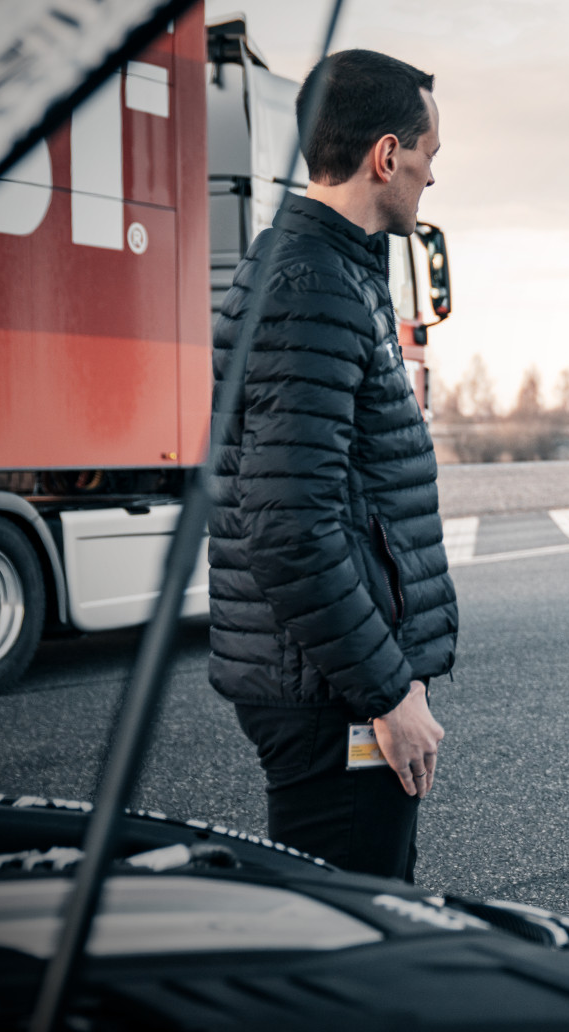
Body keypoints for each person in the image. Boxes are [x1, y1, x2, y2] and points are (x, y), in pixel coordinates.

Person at [207, 50, 456, 881]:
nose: (430, 177)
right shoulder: (311, 286)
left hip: (334, 676)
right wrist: (387, 693)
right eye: (429, 155)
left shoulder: (339, 274)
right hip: (332, 694)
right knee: (347, 941)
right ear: (387, 155)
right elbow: (288, 527)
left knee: (364, 927)